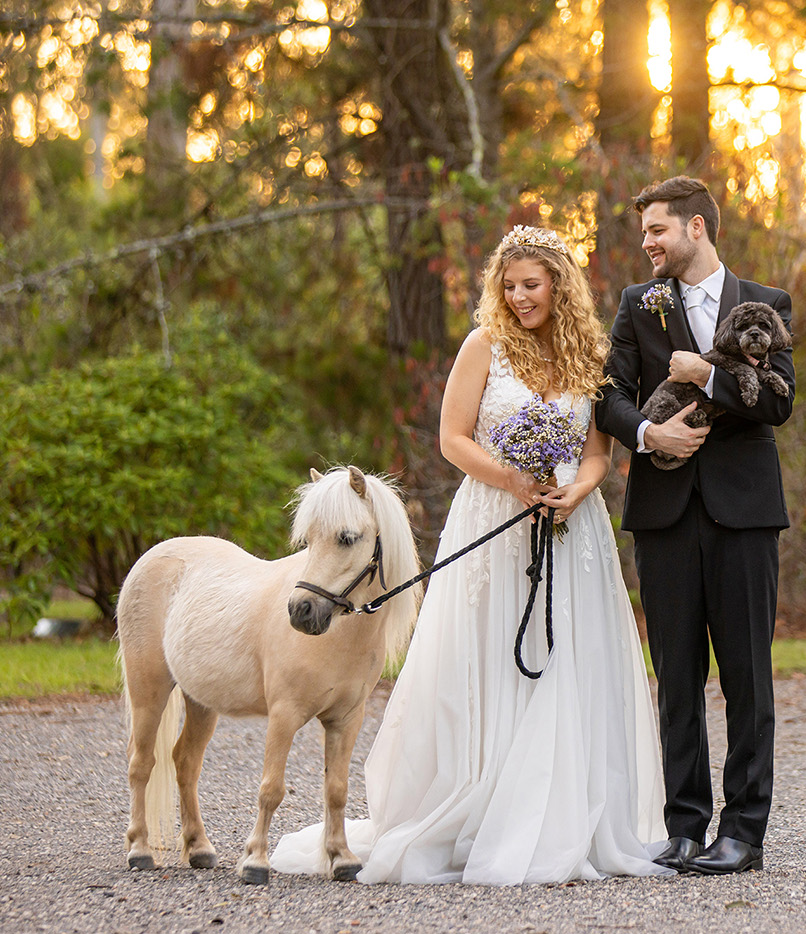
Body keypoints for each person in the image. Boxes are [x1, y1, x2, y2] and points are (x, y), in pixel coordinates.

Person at [270, 225, 669, 884]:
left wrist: (575, 491)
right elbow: (451, 439)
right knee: (485, 658)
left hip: (575, 526)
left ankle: (569, 819)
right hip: (495, 515)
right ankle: (480, 812)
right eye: (509, 287)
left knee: (571, 661)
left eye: (531, 285)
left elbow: (599, 452)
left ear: (559, 285)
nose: (519, 298)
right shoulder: (484, 346)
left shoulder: (587, 355)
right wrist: (515, 481)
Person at [594, 176, 795, 876]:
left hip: (744, 516)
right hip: (663, 514)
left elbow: (780, 403)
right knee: (676, 679)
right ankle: (684, 828)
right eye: (645, 231)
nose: (646, 242)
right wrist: (650, 436)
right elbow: (608, 398)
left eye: (657, 230)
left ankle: (743, 833)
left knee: (747, 677)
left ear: (697, 228)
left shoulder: (766, 304)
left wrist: (704, 378)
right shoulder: (636, 305)